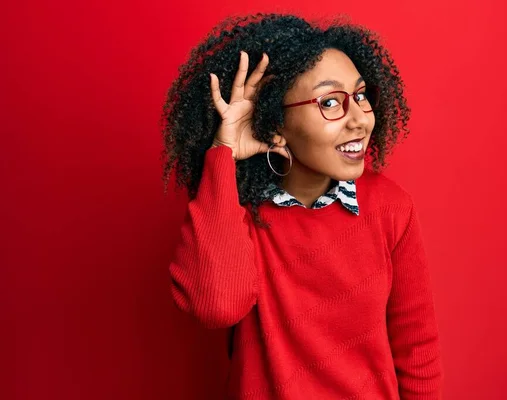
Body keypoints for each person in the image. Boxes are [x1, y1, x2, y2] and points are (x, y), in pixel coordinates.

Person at [162, 13, 442, 399]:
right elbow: (216, 306)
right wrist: (222, 154)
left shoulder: (391, 208)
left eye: (361, 96)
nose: (360, 119)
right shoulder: (236, 212)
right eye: (330, 102)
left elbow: (418, 353)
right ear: (276, 125)